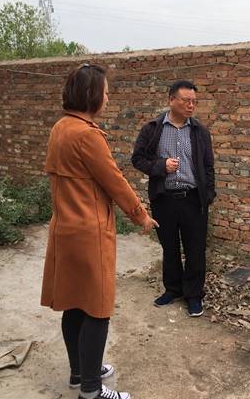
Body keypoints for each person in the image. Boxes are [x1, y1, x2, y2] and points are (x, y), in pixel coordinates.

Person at [41, 63, 158, 399]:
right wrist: (140, 215)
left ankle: (80, 373)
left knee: (74, 303)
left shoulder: (61, 127)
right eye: (105, 93)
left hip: (65, 229)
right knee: (97, 307)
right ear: (91, 95)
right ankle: (91, 390)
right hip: (89, 232)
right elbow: (115, 182)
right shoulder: (87, 135)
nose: (108, 98)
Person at [131, 80, 216, 317]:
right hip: (164, 199)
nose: (191, 105)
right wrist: (161, 166)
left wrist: (208, 195)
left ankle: (194, 295)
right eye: (186, 100)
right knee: (169, 248)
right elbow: (138, 159)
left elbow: (208, 166)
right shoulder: (153, 128)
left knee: (195, 249)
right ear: (171, 100)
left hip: (193, 199)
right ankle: (173, 289)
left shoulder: (199, 131)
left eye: (194, 102)